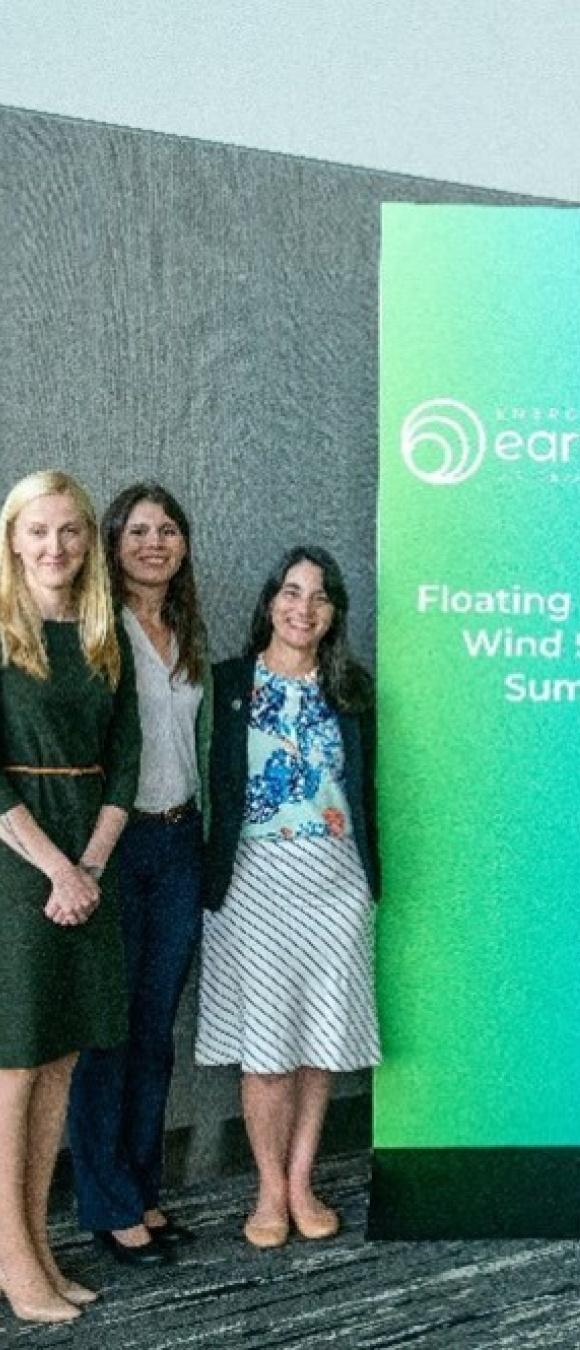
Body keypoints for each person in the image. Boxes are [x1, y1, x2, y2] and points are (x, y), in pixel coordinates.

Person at [196, 545, 379, 1249]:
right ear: (270, 599)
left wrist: (369, 879)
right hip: (253, 883)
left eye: (321, 596)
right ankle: (268, 1188)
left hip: (335, 884)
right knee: (266, 1050)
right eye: (292, 592)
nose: (304, 608)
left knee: (320, 1044)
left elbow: (366, 795)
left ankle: (302, 1181)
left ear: (335, 613)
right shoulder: (228, 685)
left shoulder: (352, 691)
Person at [0, 470, 139, 1323]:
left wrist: (88, 866)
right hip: (19, 870)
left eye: (72, 532)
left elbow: (126, 761)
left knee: (60, 1061)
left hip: (89, 863)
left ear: (89, 542)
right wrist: (57, 871)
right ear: (13, 540)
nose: (56, 547)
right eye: (38, 531)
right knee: (15, 1066)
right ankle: (13, 1262)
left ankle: (41, 1249)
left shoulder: (102, 630)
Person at [67, 484, 209, 1267]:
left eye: (168, 529)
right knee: (108, 1036)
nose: (154, 541)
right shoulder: (96, 630)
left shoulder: (184, 629)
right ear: (113, 542)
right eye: (138, 530)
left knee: (154, 1034)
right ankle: (107, 1202)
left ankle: (142, 1189)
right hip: (112, 851)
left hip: (179, 847)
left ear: (183, 545)